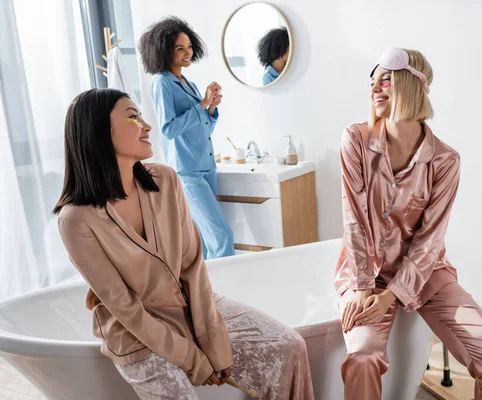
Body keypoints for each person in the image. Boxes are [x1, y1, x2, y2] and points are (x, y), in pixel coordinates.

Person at [54, 88, 314, 400]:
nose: (147, 126)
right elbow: (125, 308)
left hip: (191, 306)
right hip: (137, 331)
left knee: (289, 345)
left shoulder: (164, 180)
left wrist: (212, 341)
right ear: (97, 133)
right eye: (132, 117)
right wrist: (192, 358)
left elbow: (192, 266)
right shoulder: (77, 220)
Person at [335, 47, 482, 400]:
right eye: (373, 81)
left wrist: (394, 294)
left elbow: (429, 241)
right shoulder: (355, 140)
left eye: (386, 80)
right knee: (362, 357)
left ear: (412, 87)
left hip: (427, 274)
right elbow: (353, 219)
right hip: (363, 276)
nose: (376, 89)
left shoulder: (445, 160)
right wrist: (361, 287)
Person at [139, 16, 233, 259]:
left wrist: (210, 108)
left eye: (189, 46)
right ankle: (230, 288)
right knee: (222, 237)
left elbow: (203, 130)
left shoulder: (187, 83)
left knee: (205, 239)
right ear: (164, 51)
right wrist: (202, 103)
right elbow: (168, 128)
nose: (187, 52)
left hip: (206, 167)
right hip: (188, 171)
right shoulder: (162, 83)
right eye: (180, 48)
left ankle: (208, 293)